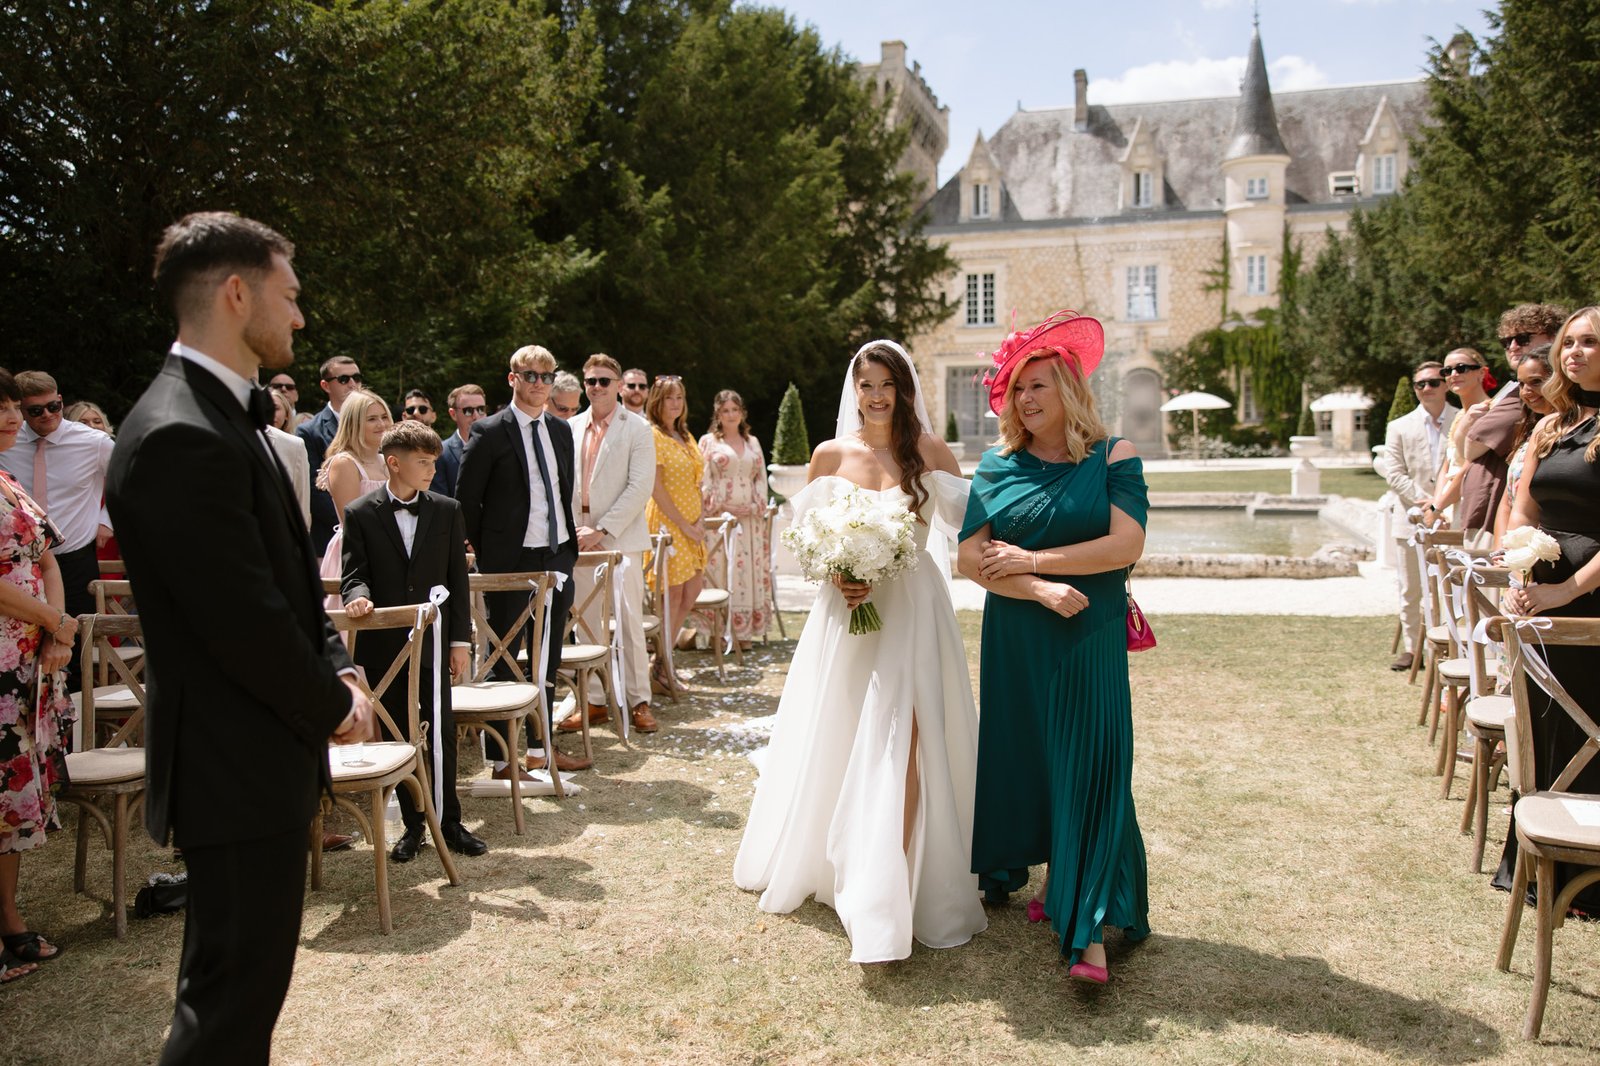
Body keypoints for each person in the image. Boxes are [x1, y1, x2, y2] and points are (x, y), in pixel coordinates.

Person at [106, 211, 372, 1063]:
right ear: (234, 292)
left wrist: (341, 665)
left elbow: (289, 576)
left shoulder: (227, 420)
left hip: (259, 758)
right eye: (288, 296)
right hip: (232, 763)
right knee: (223, 1010)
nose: (298, 317)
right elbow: (242, 621)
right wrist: (335, 705)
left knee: (247, 1001)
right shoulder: (178, 433)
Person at [733, 340, 984, 964]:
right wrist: (837, 574)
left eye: (887, 385)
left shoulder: (927, 451)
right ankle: (833, 858)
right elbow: (804, 543)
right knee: (844, 730)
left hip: (913, 613)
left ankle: (890, 878)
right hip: (845, 618)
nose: (876, 397)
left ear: (904, 390)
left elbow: (973, 520)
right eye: (865, 384)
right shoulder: (828, 455)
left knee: (908, 737)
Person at [956, 310, 1149, 986]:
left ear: (1070, 386)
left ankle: (1087, 926)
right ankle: (1011, 866)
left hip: (1088, 636)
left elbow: (1126, 545)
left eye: (1040, 384)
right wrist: (1036, 588)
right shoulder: (994, 466)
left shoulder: (1115, 457)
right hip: (1018, 631)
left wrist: (1038, 559)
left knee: (1089, 765)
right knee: (1022, 755)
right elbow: (969, 563)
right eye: (1017, 389)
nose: (1028, 399)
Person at [340, 421, 485, 861]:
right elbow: (354, 574)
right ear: (394, 463)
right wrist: (359, 599)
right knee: (400, 736)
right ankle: (412, 826)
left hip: (435, 640)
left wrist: (460, 642)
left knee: (439, 729)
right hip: (384, 644)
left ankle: (451, 822)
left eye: (433, 462)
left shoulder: (446, 509)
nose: (430, 470)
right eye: (422, 463)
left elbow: (457, 583)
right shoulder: (361, 513)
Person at [1495, 306, 1600, 913]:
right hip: (1541, 594)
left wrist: (1568, 590)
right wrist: (1522, 569)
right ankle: (1538, 866)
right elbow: (1524, 510)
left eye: (1589, 342)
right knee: (1544, 724)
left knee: (1591, 725)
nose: (1573, 353)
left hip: (1590, 597)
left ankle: (1588, 878)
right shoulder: (1555, 426)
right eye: (1570, 342)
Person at [455, 345, 587, 775]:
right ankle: (499, 758)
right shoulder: (490, 431)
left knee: (547, 654)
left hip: (557, 554)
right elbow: (466, 499)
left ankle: (540, 748)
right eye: (529, 375)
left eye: (546, 376)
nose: (538, 384)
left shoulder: (561, 430)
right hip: (508, 561)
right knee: (502, 653)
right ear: (512, 379)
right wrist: (486, 551)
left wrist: (567, 548)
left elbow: (563, 490)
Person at [0, 367, 75, 985]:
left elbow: (46, 555)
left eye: (8, 407)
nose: (6, 417)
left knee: (12, 799)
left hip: (28, 663)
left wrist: (55, 629)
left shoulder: (8, 480)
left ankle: (9, 917)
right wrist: (52, 618)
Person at [558, 354, 657, 737]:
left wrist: (601, 528)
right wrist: (574, 530)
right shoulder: (569, 427)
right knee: (585, 622)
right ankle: (595, 700)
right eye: (590, 381)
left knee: (629, 619)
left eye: (604, 380)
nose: (596, 387)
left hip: (619, 538)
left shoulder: (637, 428)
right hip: (577, 538)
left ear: (618, 384)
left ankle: (639, 700)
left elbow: (640, 487)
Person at [0, 371, 114, 694]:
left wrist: (107, 519)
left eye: (54, 406)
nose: (47, 415)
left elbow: (131, 484)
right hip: (13, 591)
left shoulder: (93, 442)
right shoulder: (11, 443)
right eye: (34, 410)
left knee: (73, 664)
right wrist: (56, 620)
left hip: (72, 562)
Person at [1463, 304, 1566, 536]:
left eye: (1522, 338)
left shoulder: (1576, 424)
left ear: (1555, 337)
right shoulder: (1528, 418)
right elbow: (1510, 502)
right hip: (1507, 536)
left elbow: (1472, 444)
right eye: (1506, 342)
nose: (1513, 346)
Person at [1382, 361, 1456, 671]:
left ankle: (1450, 646)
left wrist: (1441, 504)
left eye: (1433, 382)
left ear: (1446, 384)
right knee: (1410, 587)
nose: (1426, 388)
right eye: (1420, 384)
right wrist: (1424, 502)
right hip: (1410, 517)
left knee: (1449, 587)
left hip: (1452, 517)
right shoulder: (1399, 426)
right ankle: (1413, 650)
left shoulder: (1463, 419)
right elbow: (1394, 472)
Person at [644, 376, 707, 680]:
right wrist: (683, 525)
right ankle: (661, 665)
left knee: (693, 589)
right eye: (669, 398)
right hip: (669, 525)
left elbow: (697, 482)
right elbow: (655, 487)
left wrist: (700, 520)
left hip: (692, 527)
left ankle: (662, 657)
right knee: (673, 594)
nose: (675, 403)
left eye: (680, 397)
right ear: (657, 401)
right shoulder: (654, 435)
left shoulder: (685, 435)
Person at [699, 389, 771, 650]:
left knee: (747, 573)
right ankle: (717, 633)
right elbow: (703, 480)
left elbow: (761, 477)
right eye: (725, 410)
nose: (730, 415)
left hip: (749, 521)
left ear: (742, 413)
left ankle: (744, 634)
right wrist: (721, 505)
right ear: (718, 414)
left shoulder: (752, 442)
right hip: (720, 522)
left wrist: (754, 505)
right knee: (720, 572)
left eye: (735, 410)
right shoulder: (708, 442)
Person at [316, 390, 392, 611]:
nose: (381, 424)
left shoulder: (387, 460)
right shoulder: (344, 463)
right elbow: (350, 519)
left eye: (384, 416)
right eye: (371, 419)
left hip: (389, 551)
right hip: (355, 554)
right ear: (354, 423)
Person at [297, 355, 365, 554]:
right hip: (332, 537)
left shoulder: (376, 425)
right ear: (326, 386)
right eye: (344, 379)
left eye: (357, 378)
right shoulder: (309, 431)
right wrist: (356, 525)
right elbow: (313, 489)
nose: (352, 384)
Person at [1428, 348, 1496, 541]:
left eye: (1461, 368)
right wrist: (1438, 503)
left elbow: (1469, 468)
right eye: (1447, 371)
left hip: (1472, 499)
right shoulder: (1459, 415)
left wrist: (1437, 506)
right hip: (1449, 502)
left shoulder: (1490, 411)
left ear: (1482, 372)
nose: (1453, 375)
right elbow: (1448, 463)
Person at [1491, 344, 1554, 545]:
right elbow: (1507, 502)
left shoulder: (1573, 434)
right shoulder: (1527, 433)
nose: (1526, 391)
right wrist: (1502, 549)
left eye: (1536, 382)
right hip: (1516, 547)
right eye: (1521, 384)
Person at [431, 383, 486, 497]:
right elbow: (440, 503)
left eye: (481, 409)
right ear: (453, 414)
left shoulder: (499, 446)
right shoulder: (441, 453)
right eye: (468, 410)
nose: (476, 416)